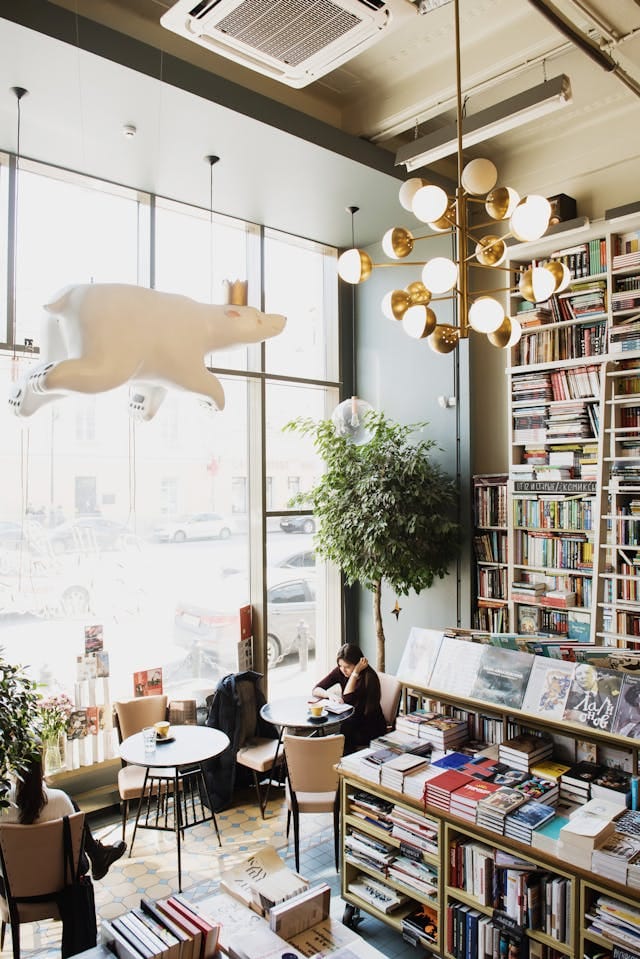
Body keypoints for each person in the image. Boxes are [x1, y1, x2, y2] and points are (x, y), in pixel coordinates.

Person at [2, 751, 126, 881]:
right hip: (61, 879)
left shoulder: (3, 805)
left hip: (15, 881)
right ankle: (96, 853)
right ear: (42, 766)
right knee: (71, 809)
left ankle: (97, 853)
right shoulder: (60, 800)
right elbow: (76, 844)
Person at [312, 643, 386, 754]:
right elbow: (316, 689)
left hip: (369, 727)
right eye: (340, 665)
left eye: (347, 667)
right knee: (327, 736)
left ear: (357, 664)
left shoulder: (369, 677)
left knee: (339, 736)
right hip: (351, 722)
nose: (343, 670)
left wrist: (355, 673)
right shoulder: (340, 671)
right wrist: (330, 695)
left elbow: (347, 700)